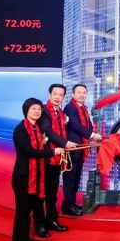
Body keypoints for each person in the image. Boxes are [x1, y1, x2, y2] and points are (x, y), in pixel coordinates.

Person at [11, 98, 63, 241]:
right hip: (23, 178)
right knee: (23, 216)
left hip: (36, 177)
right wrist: (52, 152)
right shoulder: (20, 130)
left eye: (39, 109)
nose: (37, 111)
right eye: (33, 109)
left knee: (29, 215)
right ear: (26, 110)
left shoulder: (38, 129)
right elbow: (29, 151)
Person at [39, 84, 77, 232]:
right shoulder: (43, 111)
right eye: (55, 94)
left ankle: (52, 220)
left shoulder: (60, 113)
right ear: (49, 95)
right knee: (41, 192)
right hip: (46, 157)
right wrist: (66, 143)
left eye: (60, 95)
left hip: (57, 157)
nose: (57, 97)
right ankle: (40, 224)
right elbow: (47, 131)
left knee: (52, 192)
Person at [62, 84, 102, 216]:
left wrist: (92, 134)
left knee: (77, 177)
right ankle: (68, 205)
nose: (82, 94)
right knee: (70, 177)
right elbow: (75, 126)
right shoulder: (70, 108)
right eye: (79, 92)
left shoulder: (83, 109)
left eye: (84, 92)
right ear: (73, 94)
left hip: (81, 147)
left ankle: (70, 203)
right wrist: (92, 135)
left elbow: (88, 125)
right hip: (73, 147)